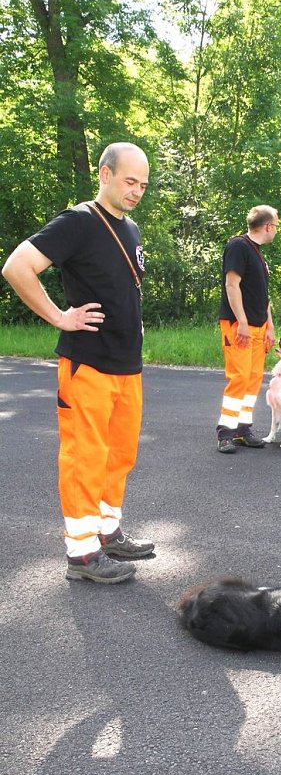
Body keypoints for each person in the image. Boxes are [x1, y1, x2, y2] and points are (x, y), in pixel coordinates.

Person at [2, 142, 154, 583]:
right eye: (129, 181)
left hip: (127, 365)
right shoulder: (79, 222)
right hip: (87, 364)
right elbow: (17, 266)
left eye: (142, 184)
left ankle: (107, 532)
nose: (136, 191)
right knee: (84, 457)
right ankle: (82, 554)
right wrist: (59, 316)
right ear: (104, 174)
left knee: (119, 456)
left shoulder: (131, 228)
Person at [216, 205, 278, 453]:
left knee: (252, 379)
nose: (276, 231)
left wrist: (269, 326)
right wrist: (241, 321)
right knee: (239, 378)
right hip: (238, 326)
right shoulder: (238, 246)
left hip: (258, 327)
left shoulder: (257, 253)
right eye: (276, 226)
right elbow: (232, 284)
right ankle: (225, 433)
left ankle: (243, 429)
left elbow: (263, 296)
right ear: (268, 226)